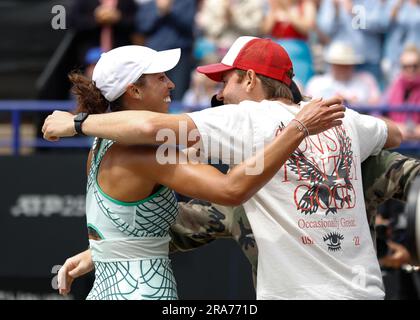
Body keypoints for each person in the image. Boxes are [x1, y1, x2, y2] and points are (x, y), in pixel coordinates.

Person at [43, 36, 402, 299]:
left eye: (224, 80)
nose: (172, 83)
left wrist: (79, 124)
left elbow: (136, 216)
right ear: (133, 91)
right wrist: (300, 126)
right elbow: (395, 134)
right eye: (161, 77)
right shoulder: (345, 119)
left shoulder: (102, 144)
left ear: (249, 79)